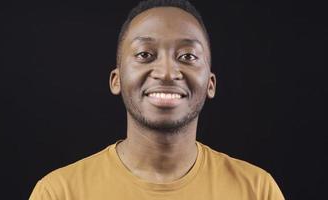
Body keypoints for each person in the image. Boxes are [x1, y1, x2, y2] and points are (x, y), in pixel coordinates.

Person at [29, 0, 285, 199]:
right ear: (116, 79)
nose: (166, 73)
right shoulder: (59, 193)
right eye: (144, 54)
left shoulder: (257, 190)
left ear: (210, 83)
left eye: (187, 56)